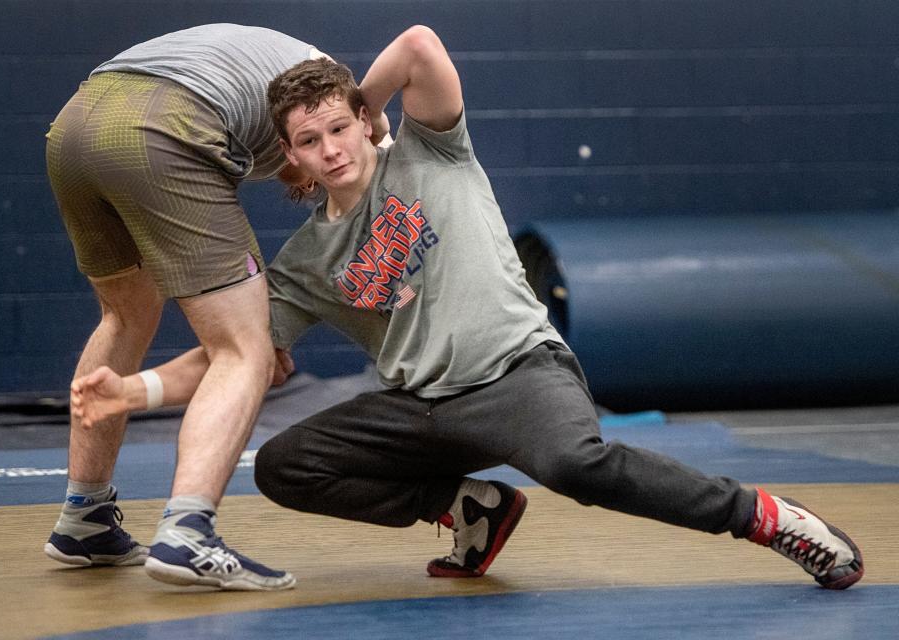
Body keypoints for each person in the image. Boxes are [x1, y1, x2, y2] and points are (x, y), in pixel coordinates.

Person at [72, 26, 864, 590]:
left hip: (517, 374)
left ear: (361, 123)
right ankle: (468, 505)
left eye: (340, 128)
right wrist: (131, 392)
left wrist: (370, 100)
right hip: (421, 407)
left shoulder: (430, 152)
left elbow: (419, 44)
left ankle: (765, 518)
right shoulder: (307, 261)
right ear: (293, 161)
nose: (331, 149)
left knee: (576, 464)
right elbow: (227, 356)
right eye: (309, 143)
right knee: (287, 466)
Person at [43, 24, 355, 591]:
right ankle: (188, 530)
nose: (321, 164)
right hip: (164, 124)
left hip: (75, 124)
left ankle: (85, 517)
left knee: (126, 314)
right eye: (312, 147)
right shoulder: (336, 97)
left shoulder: (273, 82)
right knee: (244, 350)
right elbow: (373, 144)